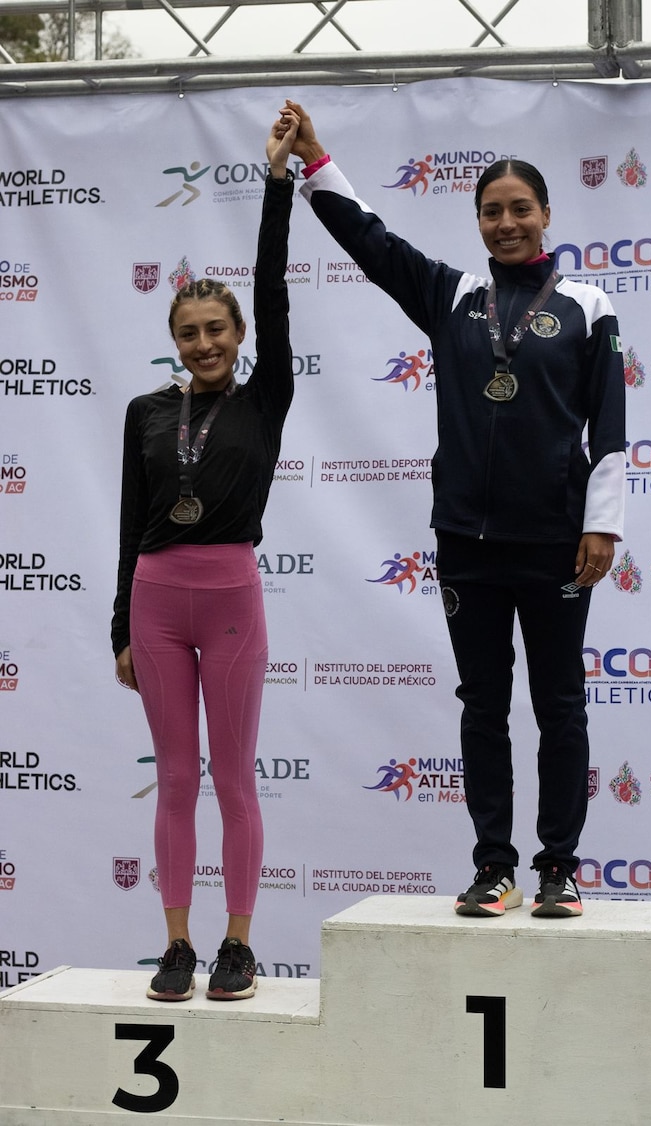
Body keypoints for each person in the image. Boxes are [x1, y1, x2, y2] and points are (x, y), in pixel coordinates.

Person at [277, 99, 625, 919]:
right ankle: (494, 867)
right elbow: (371, 241)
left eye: (520, 209)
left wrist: (601, 523)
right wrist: (318, 162)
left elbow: (609, 425)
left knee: (562, 705)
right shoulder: (452, 296)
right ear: (476, 221)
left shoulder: (588, 304)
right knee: (483, 706)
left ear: (547, 215)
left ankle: (560, 868)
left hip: (554, 545)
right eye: (491, 211)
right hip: (467, 540)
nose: (506, 223)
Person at [112, 108, 300, 1000]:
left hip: (229, 596)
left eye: (217, 330)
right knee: (176, 778)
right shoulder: (148, 415)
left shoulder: (266, 401)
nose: (205, 344)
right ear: (176, 341)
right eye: (190, 333)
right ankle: (178, 946)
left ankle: (238, 944)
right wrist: (120, 626)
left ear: (240, 336)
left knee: (233, 776)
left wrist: (275, 181)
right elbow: (129, 524)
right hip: (155, 600)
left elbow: (273, 285)